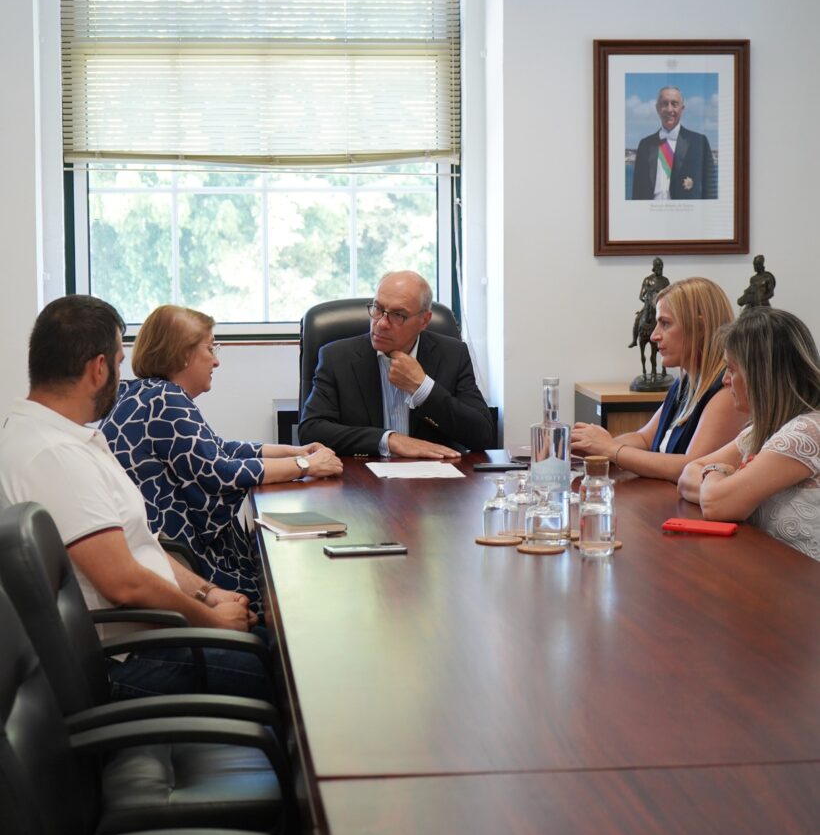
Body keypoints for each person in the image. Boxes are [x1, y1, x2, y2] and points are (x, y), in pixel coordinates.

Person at [0, 295, 273, 700]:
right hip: (131, 660)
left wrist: (208, 594)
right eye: (119, 360)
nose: (121, 373)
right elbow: (124, 583)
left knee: (274, 635)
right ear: (98, 369)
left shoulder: (68, 436)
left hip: (156, 634)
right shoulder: (54, 456)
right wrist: (211, 621)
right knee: (288, 668)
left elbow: (140, 544)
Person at [101, 305, 342, 614]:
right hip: (185, 563)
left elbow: (220, 448)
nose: (216, 360)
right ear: (183, 354)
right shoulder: (165, 399)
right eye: (210, 347)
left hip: (167, 553)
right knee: (293, 593)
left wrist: (296, 452)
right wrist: (306, 466)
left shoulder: (143, 393)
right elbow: (222, 472)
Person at [299, 270, 495, 457]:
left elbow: (482, 435)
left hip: (433, 483)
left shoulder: (452, 354)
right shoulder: (337, 357)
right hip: (363, 481)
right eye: (378, 309)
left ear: (424, 321)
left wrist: (423, 388)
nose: (382, 323)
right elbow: (311, 430)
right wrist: (389, 440)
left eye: (398, 315)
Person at [572, 278, 747, 482]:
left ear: (700, 326)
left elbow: (691, 465)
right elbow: (645, 439)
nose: (654, 335)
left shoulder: (728, 389)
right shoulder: (685, 383)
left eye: (665, 324)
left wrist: (611, 449)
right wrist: (592, 447)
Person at [678, 309, 820, 560]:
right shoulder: (763, 429)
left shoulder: (806, 433)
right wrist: (721, 477)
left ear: (761, 376)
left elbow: (715, 505)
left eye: (731, 369)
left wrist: (716, 472)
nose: (725, 380)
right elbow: (688, 474)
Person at [631, 86, 717, 200]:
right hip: (651, 214)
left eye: (674, 104)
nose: (669, 109)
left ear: (682, 108)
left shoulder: (699, 142)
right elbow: (637, 190)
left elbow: (710, 190)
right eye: (664, 104)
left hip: (686, 214)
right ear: (657, 108)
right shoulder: (645, 144)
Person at [628, 256, 670, 348]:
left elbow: (669, 296)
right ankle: (634, 340)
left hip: (662, 307)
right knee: (638, 319)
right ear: (654, 267)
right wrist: (649, 300)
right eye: (658, 266)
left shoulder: (665, 281)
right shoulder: (648, 280)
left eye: (661, 266)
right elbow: (641, 296)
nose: (660, 268)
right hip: (648, 305)